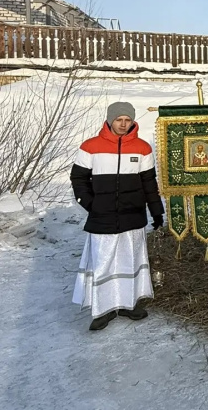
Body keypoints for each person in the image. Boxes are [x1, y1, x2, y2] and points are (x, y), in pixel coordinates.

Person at [70, 102, 165, 331]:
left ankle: (128, 304)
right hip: (102, 217)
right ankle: (103, 310)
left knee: (129, 261)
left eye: (127, 120)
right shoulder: (91, 147)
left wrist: (156, 211)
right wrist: (91, 204)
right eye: (119, 119)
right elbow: (79, 179)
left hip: (132, 217)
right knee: (103, 263)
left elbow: (149, 183)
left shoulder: (142, 148)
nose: (123, 124)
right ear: (110, 119)